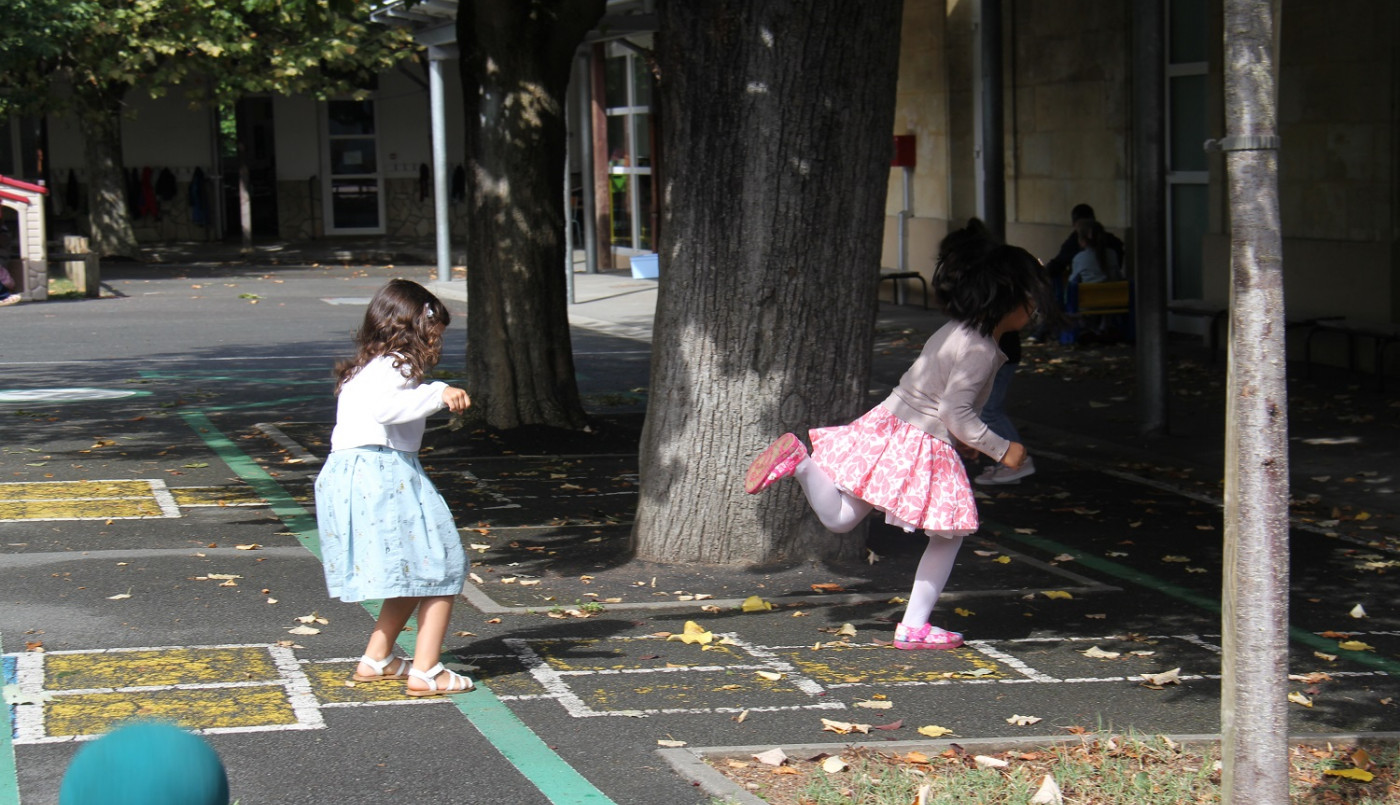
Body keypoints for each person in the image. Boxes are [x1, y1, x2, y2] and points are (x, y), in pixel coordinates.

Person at [744, 225, 1045, 650]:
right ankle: (913, 626)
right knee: (949, 533)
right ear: (1008, 298)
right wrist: (1002, 448)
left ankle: (800, 461)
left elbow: (946, 402)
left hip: (892, 423)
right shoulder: (980, 348)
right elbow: (954, 412)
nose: (1034, 308)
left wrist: (967, 442)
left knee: (842, 518)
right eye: (1031, 297)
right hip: (919, 442)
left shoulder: (961, 329)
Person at [314, 279, 474, 696]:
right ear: (415, 323)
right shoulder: (397, 363)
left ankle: (378, 659)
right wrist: (440, 392)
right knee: (441, 563)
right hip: (380, 471)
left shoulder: (366, 367)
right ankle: (427, 671)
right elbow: (386, 409)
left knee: (411, 569)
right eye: (436, 325)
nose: (439, 336)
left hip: (353, 471)